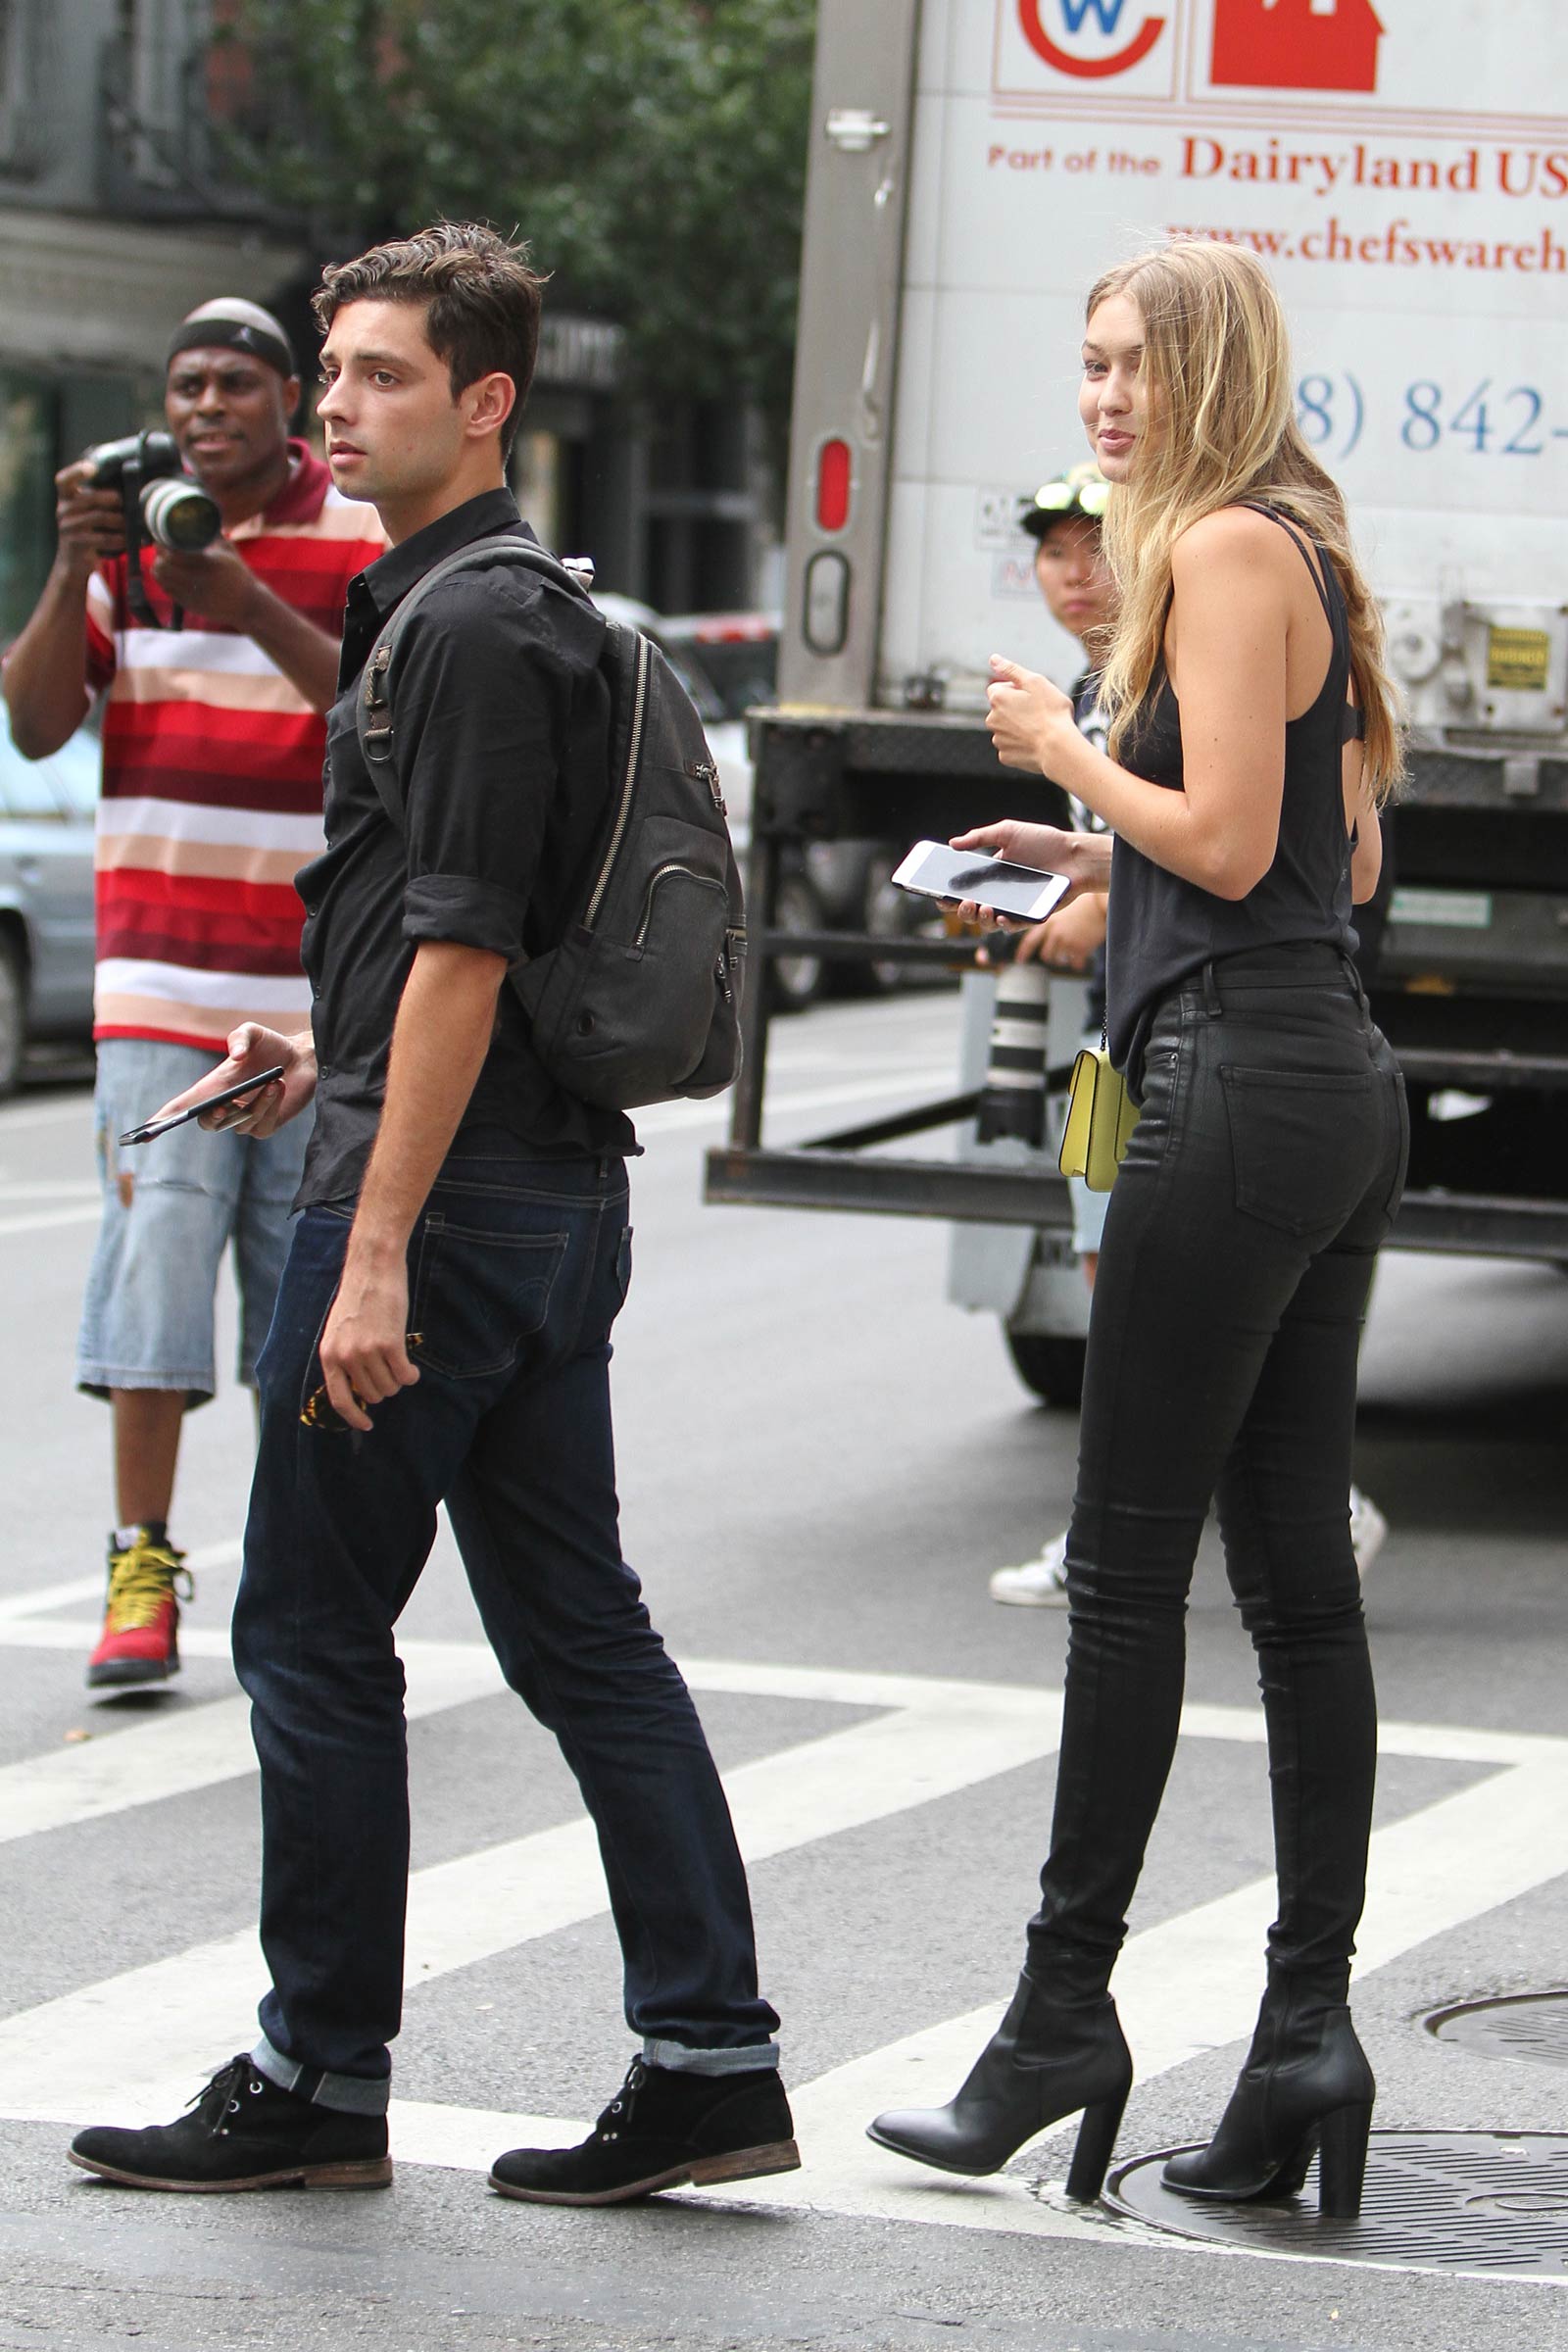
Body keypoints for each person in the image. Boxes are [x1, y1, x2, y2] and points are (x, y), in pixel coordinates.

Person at [67, 223, 796, 2207]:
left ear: (484, 401)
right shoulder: (497, 611)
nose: (334, 403)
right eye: (335, 370)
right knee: (578, 1631)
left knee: (308, 1629)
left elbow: (467, 948)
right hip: (527, 1189)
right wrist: (330, 1067)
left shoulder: (468, 625)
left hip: (451, 1211)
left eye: (381, 373)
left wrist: (367, 1235)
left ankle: (316, 2078)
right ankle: (709, 2057)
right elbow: (452, 945)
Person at [868, 241, 1406, 2219]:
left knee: (1120, 1580)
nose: (1092, 398)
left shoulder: (1219, 556)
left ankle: (1055, 2022)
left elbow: (1249, 848)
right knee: (1289, 1589)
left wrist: (1066, 753)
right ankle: (1297, 2045)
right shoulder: (1296, 555)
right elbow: (1315, 858)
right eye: (1079, 364)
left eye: (1120, 366)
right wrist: (1077, 860)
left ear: (1197, 371)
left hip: (1236, 1098)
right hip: (1312, 1083)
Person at [2, 298, 385, 1690]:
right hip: (157, 987)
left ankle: (299, 1574)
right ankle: (142, 1564)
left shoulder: (355, 533)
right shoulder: (132, 536)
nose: (208, 407)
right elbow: (39, 719)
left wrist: (243, 602)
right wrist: (72, 567)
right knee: (156, 1256)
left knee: (304, 1284)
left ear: (291, 397)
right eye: (186, 387)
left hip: (310, 998)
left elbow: (380, 719)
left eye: (236, 383)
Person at [986, 467, 1389, 1606]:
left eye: (1098, 545)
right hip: (1117, 1041)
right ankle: (1123, 1515)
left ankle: (1247, 1507)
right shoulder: (1102, 681)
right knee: (1102, 1257)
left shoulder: (1202, 655)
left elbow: (1247, 849)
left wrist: (1093, 883)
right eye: (1054, 550)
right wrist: (1063, 873)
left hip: (1208, 1042)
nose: (1075, 572)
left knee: (1173, 1290)